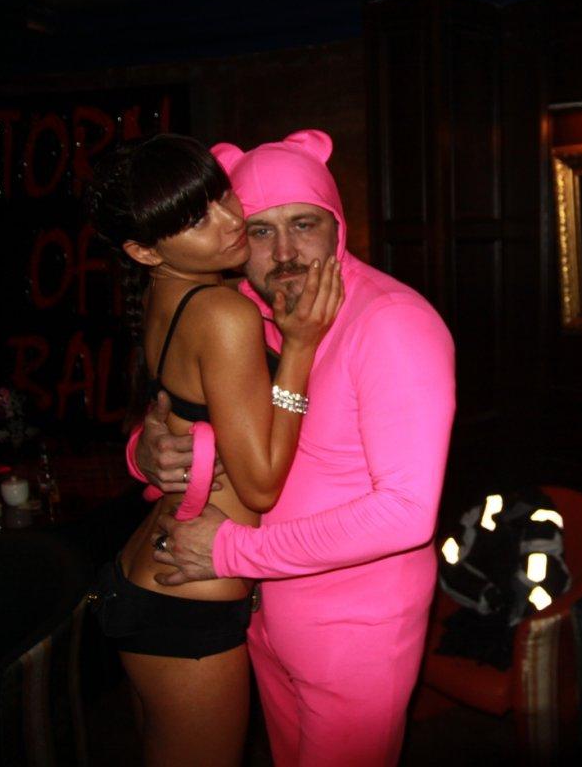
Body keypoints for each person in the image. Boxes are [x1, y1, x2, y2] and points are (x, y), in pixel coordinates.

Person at [129, 129, 457, 766]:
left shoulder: (391, 323)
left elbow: (406, 512)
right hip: (259, 613)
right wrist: (144, 450)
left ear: (337, 225)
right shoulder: (241, 311)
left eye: (304, 224)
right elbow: (196, 413)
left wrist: (232, 550)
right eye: (260, 230)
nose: (285, 252)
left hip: (355, 632)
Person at [86, 134, 343, 767]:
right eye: (196, 219)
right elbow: (259, 486)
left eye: (222, 196)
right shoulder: (224, 313)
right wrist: (299, 348)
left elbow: (171, 413)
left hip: (151, 574)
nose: (231, 223)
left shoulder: (168, 295)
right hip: (184, 599)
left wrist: (143, 451)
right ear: (144, 250)